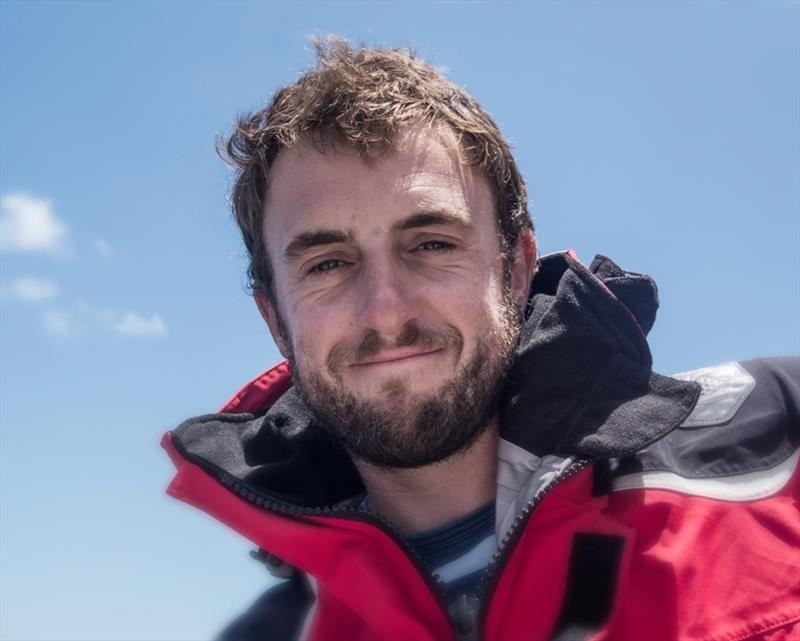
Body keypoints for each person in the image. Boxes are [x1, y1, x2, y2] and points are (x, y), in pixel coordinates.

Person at [163, 40, 800, 641]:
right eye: (327, 264)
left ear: (517, 268)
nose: (386, 312)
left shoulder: (781, 440)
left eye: (433, 244)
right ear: (275, 320)